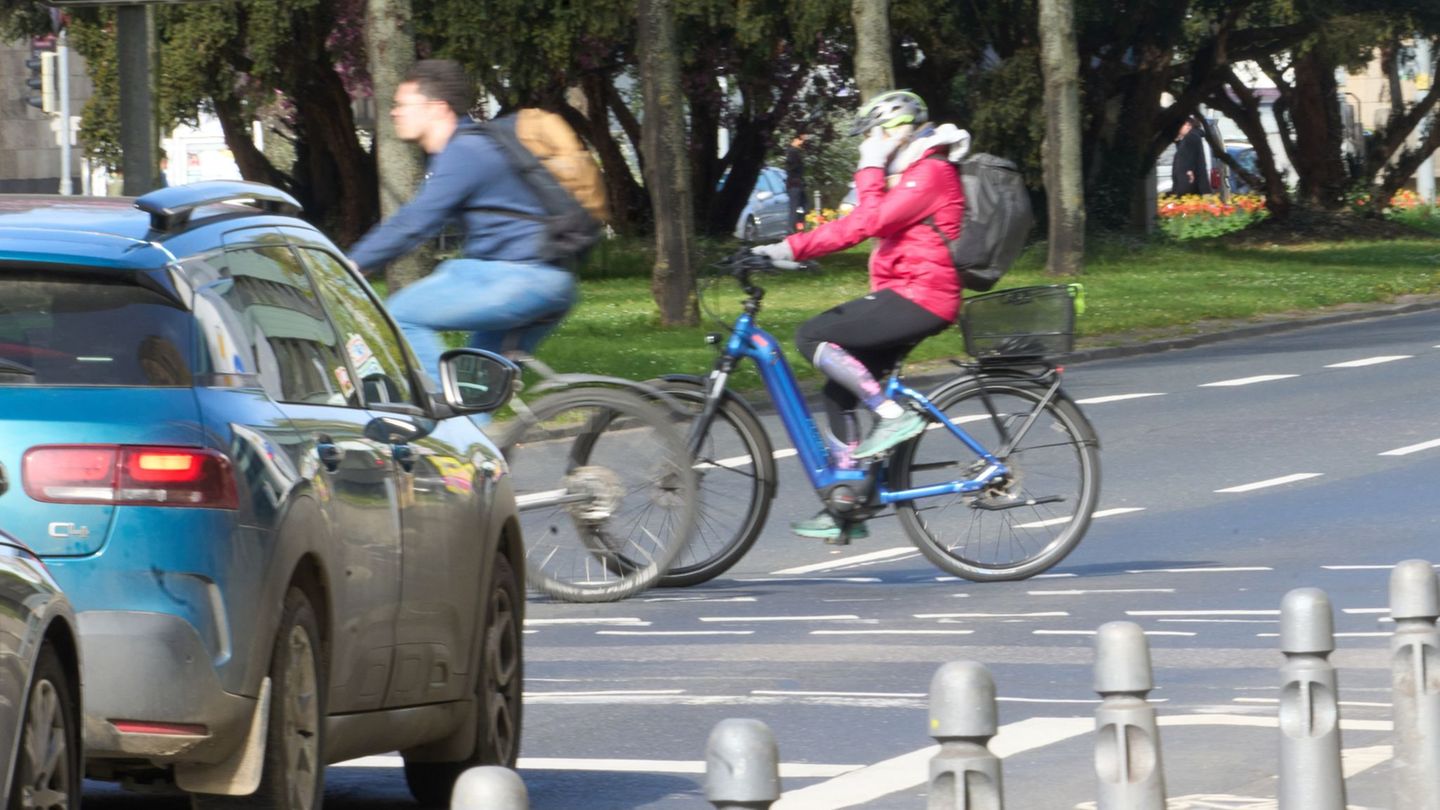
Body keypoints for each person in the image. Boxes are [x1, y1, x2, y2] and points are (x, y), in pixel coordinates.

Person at [750, 90, 969, 541]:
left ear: (894, 131)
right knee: (837, 391)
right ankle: (846, 503)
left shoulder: (930, 171)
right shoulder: (912, 171)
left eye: (871, 135)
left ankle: (891, 415)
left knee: (814, 336)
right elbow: (864, 220)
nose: (867, 143)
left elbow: (868, 223)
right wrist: (786, 250)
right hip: (906, 292)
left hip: (923, 296)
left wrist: (869, 166)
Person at [347, 59, 576, 386]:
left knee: (401, 315)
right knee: (472, 394)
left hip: (516, 279)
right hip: (549, 280)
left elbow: (415, 222)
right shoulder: (474, 146)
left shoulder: (464, 151)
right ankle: (465, 428)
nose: (394, 112)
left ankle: (445, 417)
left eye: (402, 105)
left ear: (437, 108)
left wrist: (353, 265)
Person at [1170, 115, 1212, 196]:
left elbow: (1188, 158)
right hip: (1190, 184)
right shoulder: (1189, 138)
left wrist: (1189, 170)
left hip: (1187, 184)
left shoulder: (1191, 137)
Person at [784, 134, 809, 233]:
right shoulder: (792, 152)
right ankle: (792, 229)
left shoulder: (794, 152)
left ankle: (799, 226)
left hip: (797, 184)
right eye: (800, 140)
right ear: (794, 140)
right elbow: (791, 167)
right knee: (795, 207)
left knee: (803, 205)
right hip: (795, 184)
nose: (802, 142)